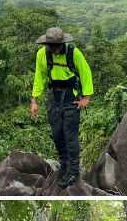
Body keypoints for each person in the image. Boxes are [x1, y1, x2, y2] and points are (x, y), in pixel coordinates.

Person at [30, 27, 94, 188]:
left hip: (71, 99)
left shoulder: (74, 53)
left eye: (56, 45)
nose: (54, 48)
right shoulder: (42, 55)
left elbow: (85, 73)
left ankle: (73, 171)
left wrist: (86, 97)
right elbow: (39, 77)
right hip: (54, 98)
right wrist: (34, 100)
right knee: (57, 134)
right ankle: (64, 165)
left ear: (62, 43)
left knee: (70, 136)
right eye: (50, 45)